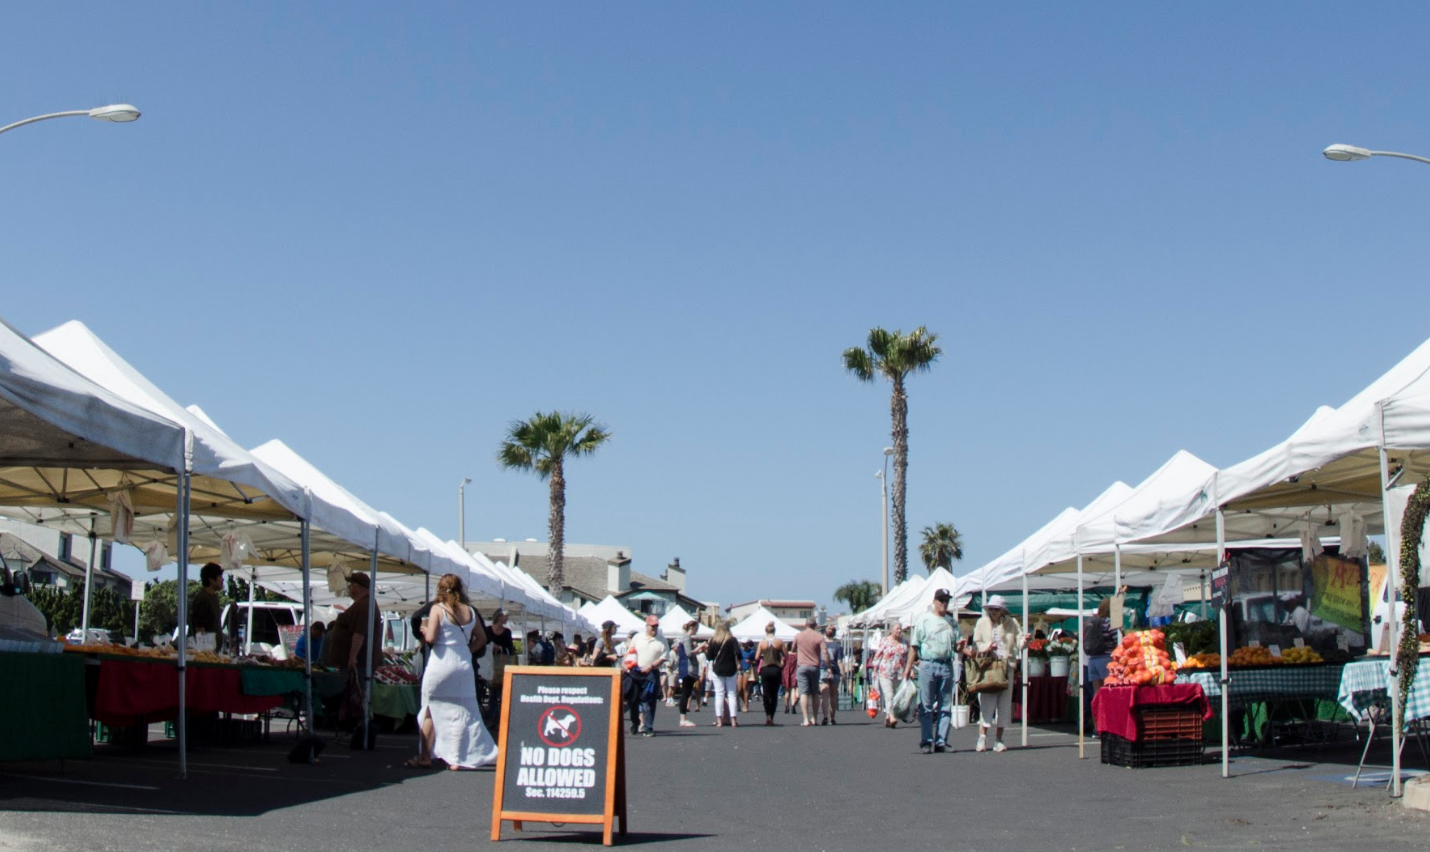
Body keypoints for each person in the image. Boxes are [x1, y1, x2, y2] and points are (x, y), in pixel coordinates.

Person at [407, 573, 497, 770]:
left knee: (431, 709)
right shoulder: (471, 611)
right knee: (462, 711)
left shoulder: (438, 609)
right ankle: (455, 759)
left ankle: (424, 756)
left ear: (440, 589)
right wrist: (466, 651)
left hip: (441, 664)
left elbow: (431, 638)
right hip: (462, 666)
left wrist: (423, 630)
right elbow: (482, 638)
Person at [903, 588, 960, 754]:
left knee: (945, 706)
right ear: (934, 601)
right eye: (941, 600)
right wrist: (908, 668)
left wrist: (960, 647)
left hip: (946, 665)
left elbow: (957, 646)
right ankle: (927, 741)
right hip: (928, 664)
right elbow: (915, 646)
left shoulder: (952, 622)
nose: (944, 603)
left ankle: (941, 741)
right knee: (926, 705)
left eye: (946, 600)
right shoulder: (924, 620)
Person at [971, 594, 1023, 753]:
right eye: (991, 609)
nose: (994, 612)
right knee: (987, 702)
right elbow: (976, 644)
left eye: (997, 609)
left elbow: (1019, 640)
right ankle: (982, 738)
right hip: (989, 666)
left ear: (1002, 611)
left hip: (1006, 666)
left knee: (1004, 704)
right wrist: (987, 647)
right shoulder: (982, 622)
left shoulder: (1011, 622)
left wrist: (1025, 641)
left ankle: (999, 739)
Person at [327, 573, 384, 675]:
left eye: (351, 584)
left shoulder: (365, 605)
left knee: (355, 690)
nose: (349, 587)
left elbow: (359, 633)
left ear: (358, 587)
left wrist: (352, 658)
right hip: (352, 665)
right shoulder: (363, 603)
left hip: (357, 665)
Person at [1082, 597, 1119, 736]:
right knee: (1110, 693)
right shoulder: (1110, 622)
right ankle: (1109, 725)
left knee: (1097, 694)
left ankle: (1097, 727)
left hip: (1092, 660)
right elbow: (1117, 641)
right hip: (1107, 659)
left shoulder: (1092, 622)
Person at [628, 614, 669, 737]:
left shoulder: (662, 640)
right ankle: (635, 723)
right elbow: (631, 651)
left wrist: (651, 666)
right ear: (647, 626)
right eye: (652, 626)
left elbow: (663, 657)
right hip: (636, 671)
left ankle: (648, 727)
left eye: (656, 626)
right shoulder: (638, 637)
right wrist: (629, 666)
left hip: (651, 672)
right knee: (633, 700)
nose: (654, 629)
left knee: (649, 700)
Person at [790, 617, 827, 727]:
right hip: (815, 667)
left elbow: (793, 649)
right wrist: (828, 666)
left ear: (805, 625)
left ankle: (806, 719)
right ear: (815, 625)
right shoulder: (819, 637)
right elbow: (824, 652)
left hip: (802, 666)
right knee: (815, 693)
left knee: (803, 693)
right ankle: (814, 718)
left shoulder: (799, 636)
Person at [706, 620, 742, 728]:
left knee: (719, 694)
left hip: (718, 669)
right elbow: (738, 653)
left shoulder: (713, 640)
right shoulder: (732, 640)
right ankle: (734, 720)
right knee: (731, 694)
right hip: (731, 669)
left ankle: (719, 720)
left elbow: (709, 657)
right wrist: (738, 662)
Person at [873, 622, 909, 729]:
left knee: (897, 697)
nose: (899, 631)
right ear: (891, 630)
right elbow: (878, 656)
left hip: (899, 673)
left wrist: (909, 669)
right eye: (897, 629)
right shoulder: (884, 641)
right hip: (885, 672)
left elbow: (907, 658)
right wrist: (875, 670)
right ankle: (892, 716)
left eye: (900, 629)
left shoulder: (905, 643)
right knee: (889, 695)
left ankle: (888, 716)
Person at [756, 622, 787, 726]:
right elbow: (786, 655)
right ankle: (772, 718)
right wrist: (781, 661)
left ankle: (768, 716)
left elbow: (756, 657)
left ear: (766, 631)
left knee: (766, 694)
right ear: (774, 631)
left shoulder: (762, 643)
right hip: (776, 669)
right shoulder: (779, 642)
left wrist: (763, 656)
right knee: (774, 695)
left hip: (765, 669)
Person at [674, 620, 701, 728]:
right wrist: (699, 648)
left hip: (689, 669)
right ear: (693, 628)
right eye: (696, 628)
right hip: (687, 669)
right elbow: (689, 653)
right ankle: (683, 719)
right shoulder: (686, 638)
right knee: (685, 693)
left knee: (687, 693)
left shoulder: (686, 638)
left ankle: (683, 718)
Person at [189, 562, 223, 639]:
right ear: (211, 579)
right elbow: (199, 629)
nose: (222, 579)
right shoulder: (202, 599)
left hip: (213, 648)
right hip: (206, 648)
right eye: (219, 576)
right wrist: (205, 649)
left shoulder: (214, 597)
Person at [819, 624, 843, 725]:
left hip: (822, 669)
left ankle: (825, 716)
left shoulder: (820, 644)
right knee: (833, 696)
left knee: (824, 695)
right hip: (835, 671)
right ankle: (832, 718)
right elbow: (839, 662)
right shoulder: (838, 646)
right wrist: (843, 673)